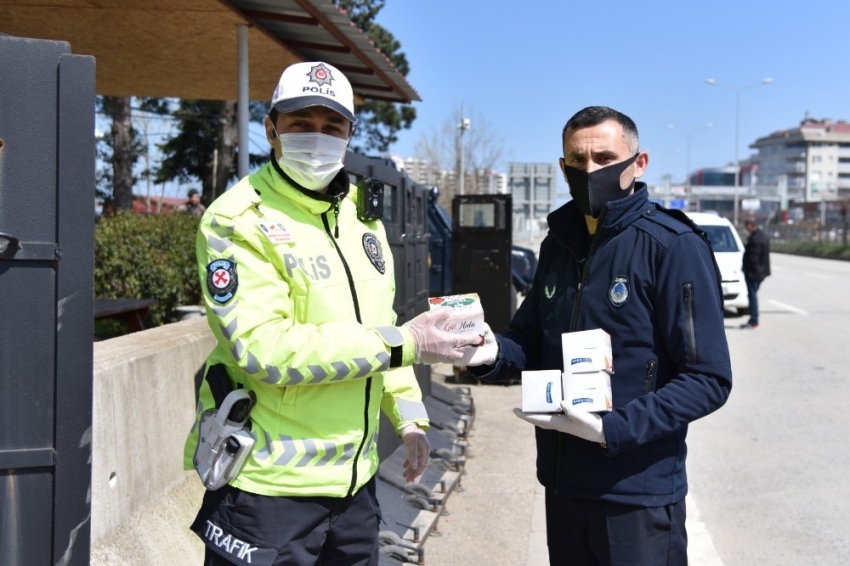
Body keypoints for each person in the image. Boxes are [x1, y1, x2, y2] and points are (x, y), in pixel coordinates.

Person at [183, 61, 480, 566]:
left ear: (349, 135)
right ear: (272, 128)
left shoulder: (361, 219)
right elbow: (264, 349)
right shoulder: (237, 220)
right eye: (301, 124)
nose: (316, 137)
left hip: (356, 485)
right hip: (268, 491)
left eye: (332, 126)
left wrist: (409, 420)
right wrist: (407, 344)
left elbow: (383, 328)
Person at [465, 106, 733, 565]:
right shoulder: (558, 243)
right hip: (563, 483)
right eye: (578, 160)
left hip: (637, 494)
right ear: (563, 167)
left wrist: (613, 429)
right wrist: (488, 352)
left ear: (638, 163)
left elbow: (708, 378)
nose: (590, 171)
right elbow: (529, 340)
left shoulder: (671, 246)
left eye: (605, 157)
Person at [740, 215, 771, 329]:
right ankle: (753, 319)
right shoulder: (762, 235)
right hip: (761, 272)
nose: (746, 229)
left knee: (752, 296)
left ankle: (754, 320)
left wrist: (749, 271)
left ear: (751, 225)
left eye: (746, 226)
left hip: (754, 273)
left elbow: (753, 258)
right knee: (753, 295)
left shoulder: (755, 239)